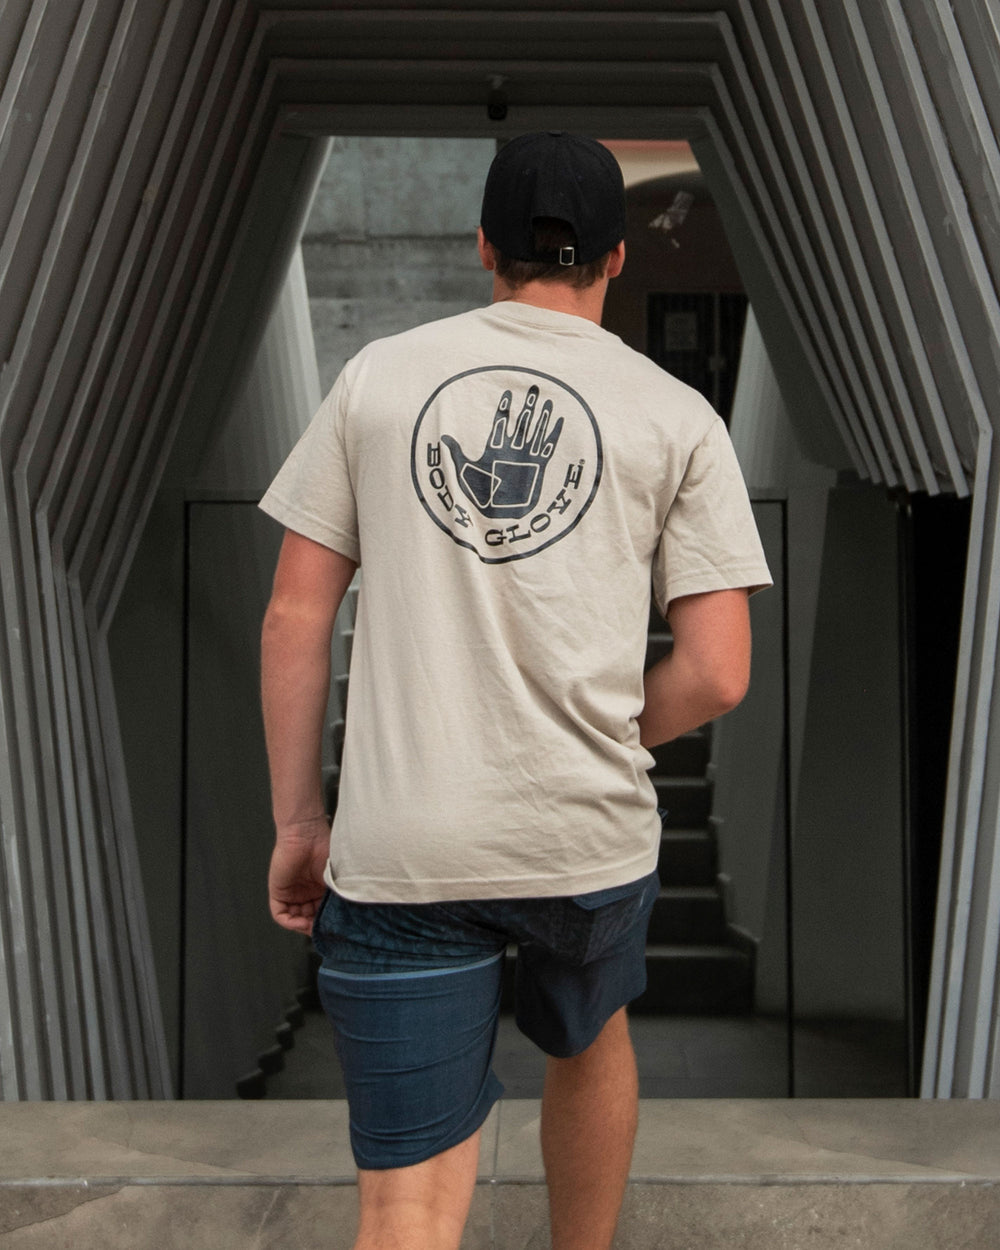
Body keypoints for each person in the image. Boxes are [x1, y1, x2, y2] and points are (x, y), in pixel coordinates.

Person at [260, 132, 771, 1250]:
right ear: (618, 257)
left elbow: (296, 614)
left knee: (407, 1205)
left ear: (483, 247)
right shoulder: (675, 412)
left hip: (406, 846)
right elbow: (719, 669)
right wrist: (612, 731)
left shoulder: (378, 380)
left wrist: (302, 820)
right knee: (589, 1038)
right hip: (582, 835)